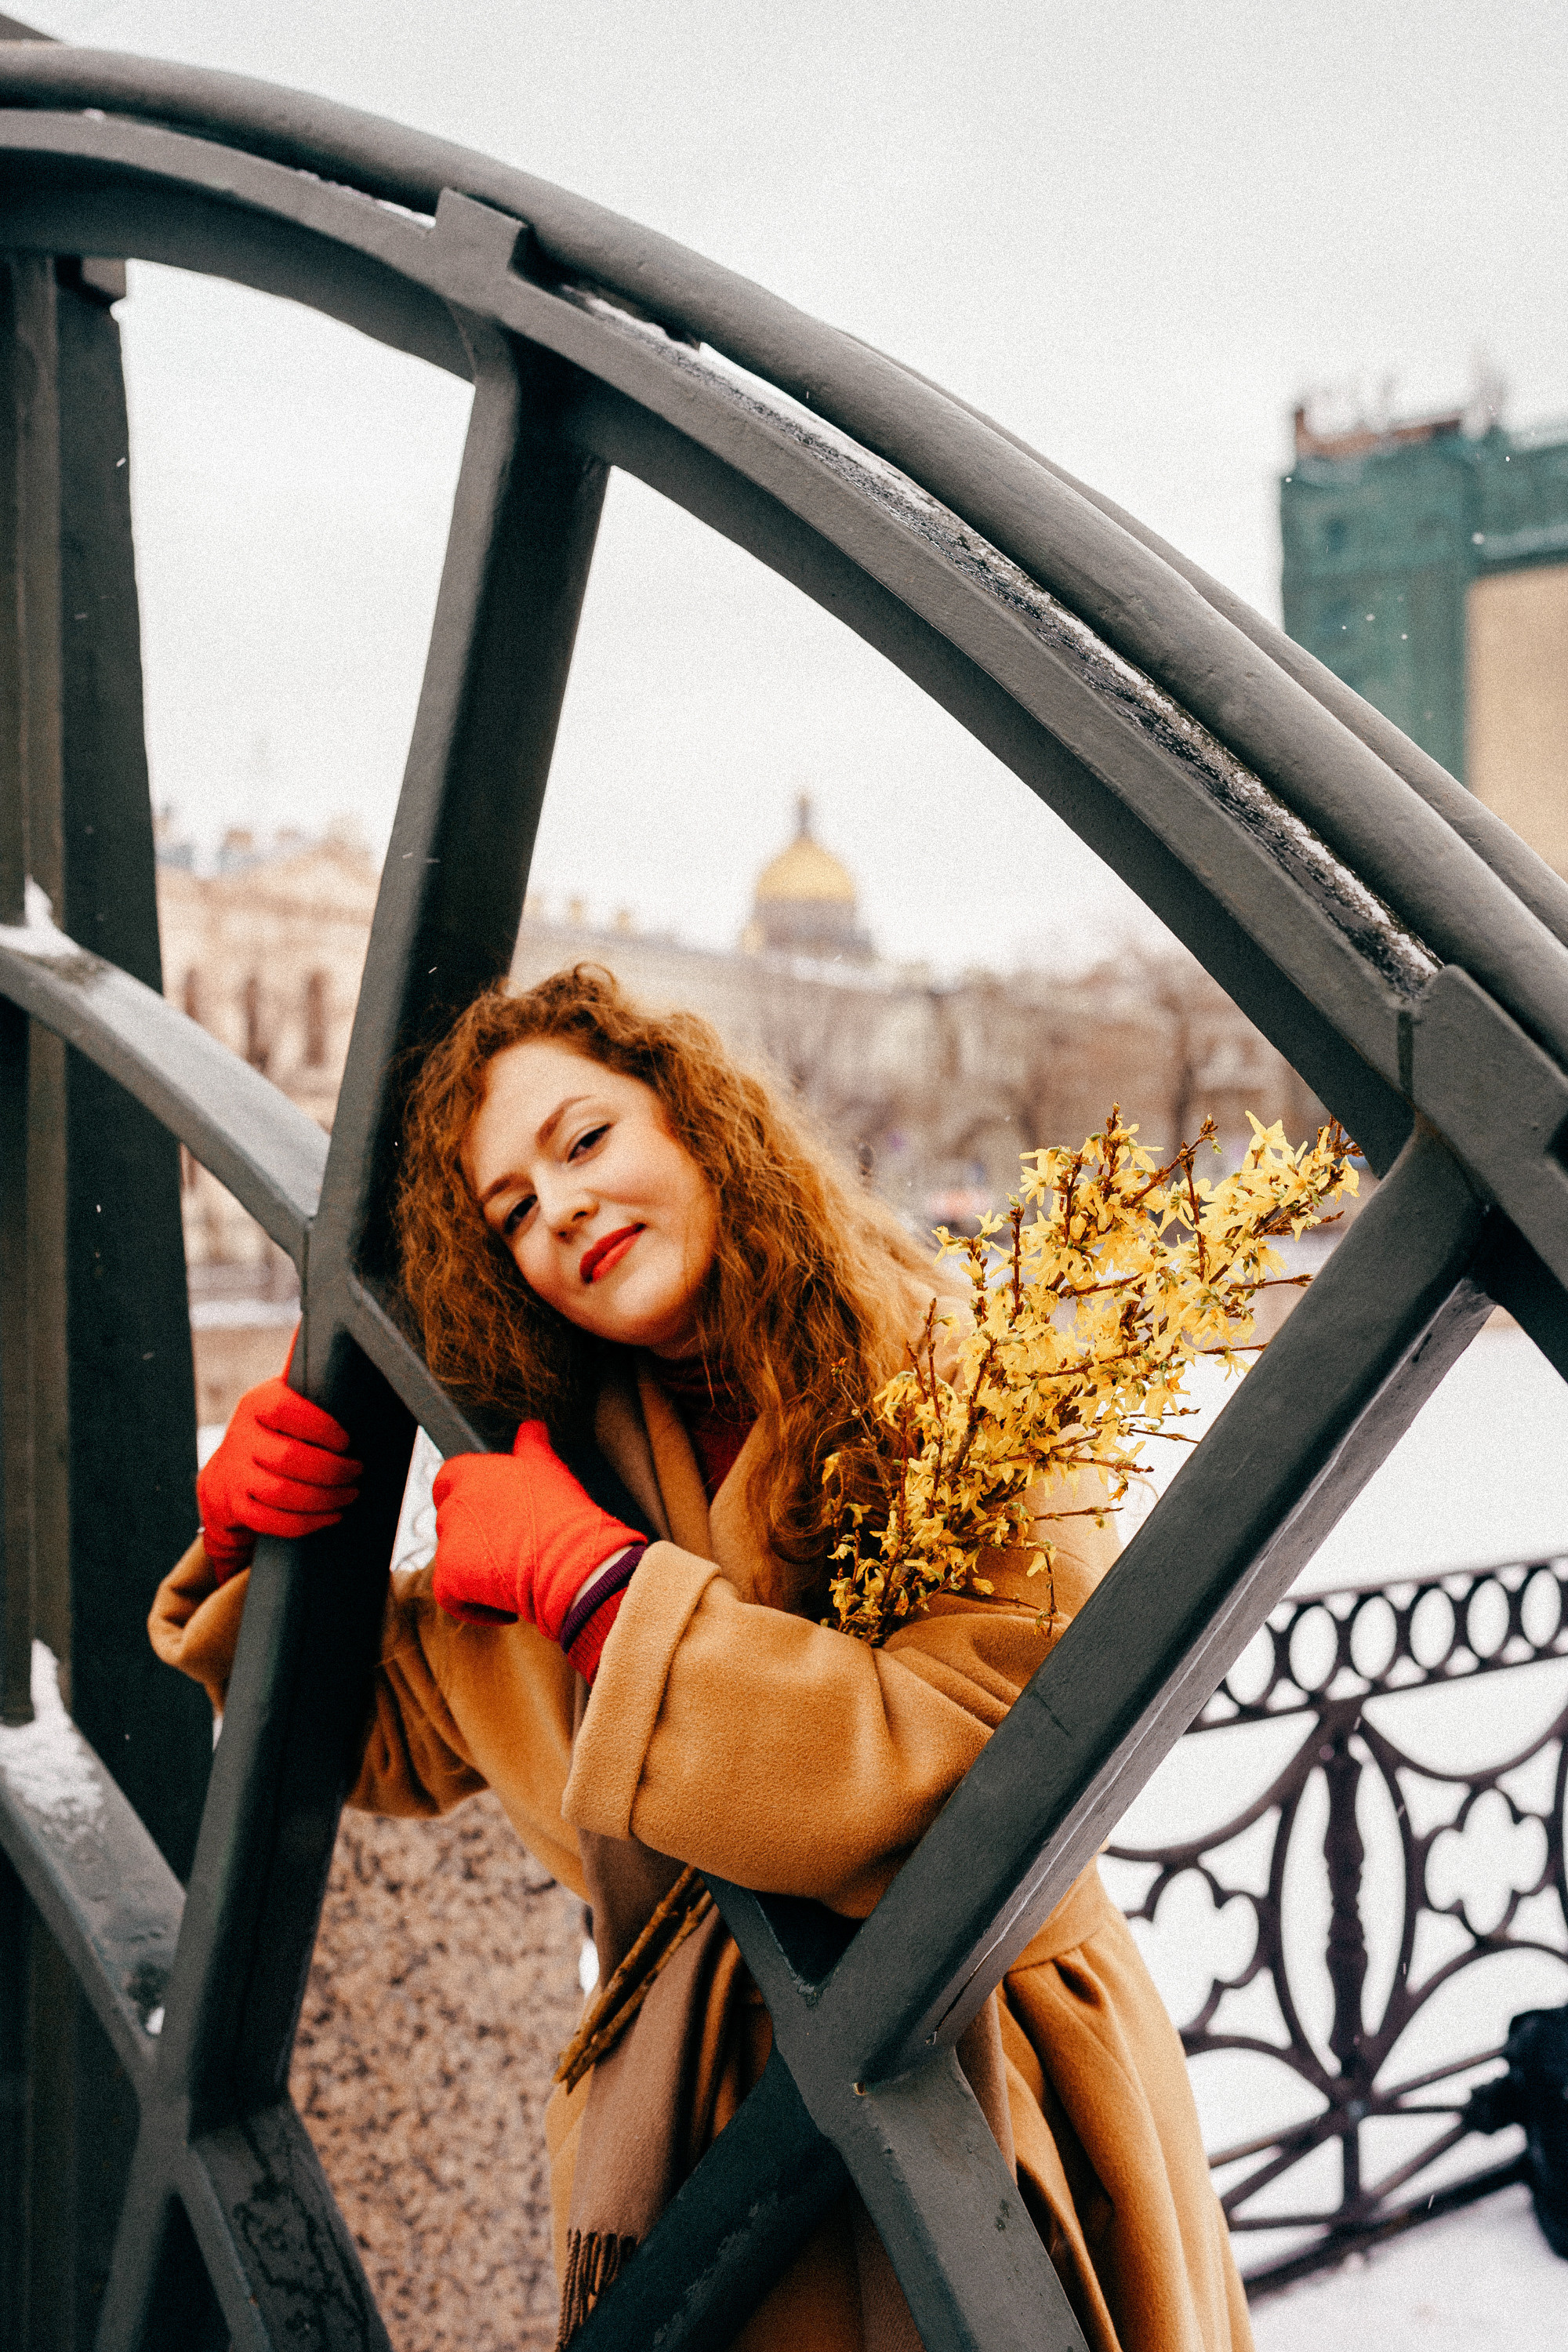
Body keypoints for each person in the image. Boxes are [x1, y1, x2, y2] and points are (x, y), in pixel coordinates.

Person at [150, 963, 1252, 2352]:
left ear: (697, 1121)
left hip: (986, 2119)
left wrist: (605, 1592)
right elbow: (373, 1734)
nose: (562, 1208)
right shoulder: (558, 1467)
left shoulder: (956, 1377)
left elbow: (989, 1791)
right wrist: (265, 1548)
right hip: (709, 2183)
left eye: (586, 1140)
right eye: (512, 1212)